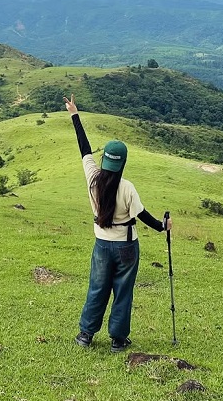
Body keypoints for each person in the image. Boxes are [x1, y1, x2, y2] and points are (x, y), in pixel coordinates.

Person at [64, 94, 172, 352]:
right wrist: (162, 226)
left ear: (103, 161)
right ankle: (118, 339)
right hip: (126, 247)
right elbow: (143, 215)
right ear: (122, 163)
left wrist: (74, 114)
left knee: (97, 288)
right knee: (123, 292)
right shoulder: (128, 187)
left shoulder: (92, 178)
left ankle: (85, 334)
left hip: (101, 245)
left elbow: (83, 148)